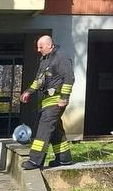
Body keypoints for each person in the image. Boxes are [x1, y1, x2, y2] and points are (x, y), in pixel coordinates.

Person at [20, 34, 75, 169]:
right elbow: (38, 81)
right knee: (56, 131)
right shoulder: (44, 60)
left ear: (49, 45)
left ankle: (34, 160)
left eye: (41, 47)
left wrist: (64, 98)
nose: (38, 50)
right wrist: (28, 91)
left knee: (43, 129)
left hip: (56, 102)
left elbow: (69, 78)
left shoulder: (61, 57)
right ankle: (64, 159)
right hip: (46, 102)